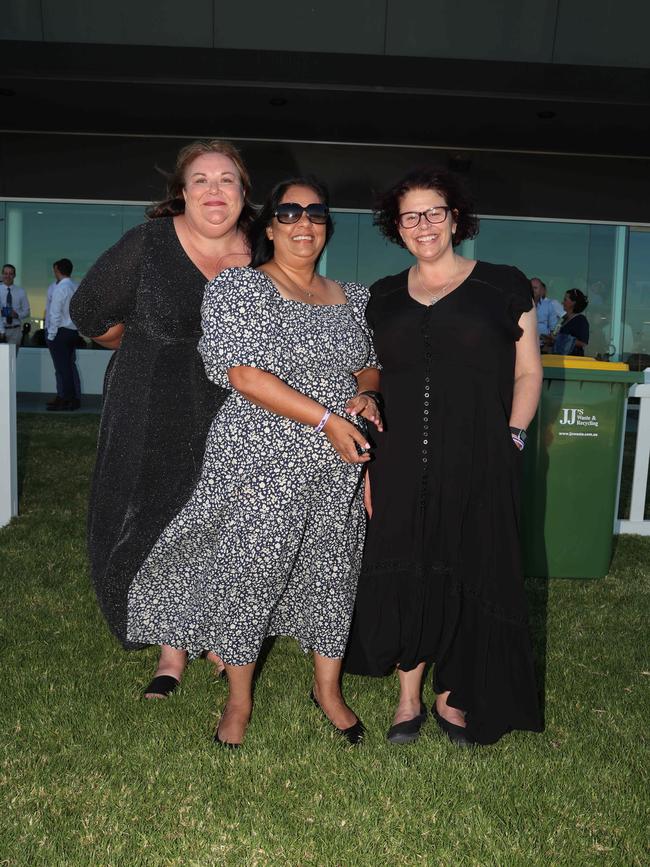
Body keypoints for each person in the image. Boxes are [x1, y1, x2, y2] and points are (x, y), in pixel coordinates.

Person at [126, 177, 382, 747]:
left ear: (327, 226)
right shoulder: (241, 289)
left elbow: (368, 364)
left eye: (315, 213)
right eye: (289, 213)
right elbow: (243, 375)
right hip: (259, 454)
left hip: (337, 457)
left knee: (333, 572)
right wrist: (326, 418)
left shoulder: (353, 297)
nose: (303, 223)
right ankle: (237, 700)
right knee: (251, 575)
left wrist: (367, 395)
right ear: (269, 227)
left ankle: (328, 690)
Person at [345, 168, 544, 747]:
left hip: (482, 452)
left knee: (470, 563)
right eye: (410, 217)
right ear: (396, 227)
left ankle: (453, 695)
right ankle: (408, 697)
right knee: (409, 564)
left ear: (456, 218)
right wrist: (365, 406)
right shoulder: (382, 296)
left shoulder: (502, 286)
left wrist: (514, 436)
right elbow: (373, 371)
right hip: (400, 459)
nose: (423, 225)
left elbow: (529, 371)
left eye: (434, 213)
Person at [69, 140, 255, 698]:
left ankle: (221, 628)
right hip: (149, 396)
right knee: (157, 511)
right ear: (181, 193)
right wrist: (137, 345)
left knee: (222, 513)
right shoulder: (149, 242)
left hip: (234, 397)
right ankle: (170, 649)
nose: (214, 190)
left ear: (245, 195)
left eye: (227, 180)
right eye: (201, 180)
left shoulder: (262, 249)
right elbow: (88, 311)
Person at [45, 259, 81, 411]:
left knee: (62, 368)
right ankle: (71, 399)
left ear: (58, 269)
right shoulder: (75, 286)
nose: (54, 272)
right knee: (69, 367)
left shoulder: (60, 288)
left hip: (60, 332)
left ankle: (66, 400)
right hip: (72, 331)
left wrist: (51, 335)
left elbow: (55, 313)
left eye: (54, 269)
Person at [0, 264, 30, 354]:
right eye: (5, 273)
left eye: (10, 274)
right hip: (0, 328)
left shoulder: (21, 291)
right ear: (2, 274)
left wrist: (17, 315)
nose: (8, 276)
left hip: (15, 331)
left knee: (12, 361)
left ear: (14, 275)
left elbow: (27, 311)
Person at [550, 288, 589, 356]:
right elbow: (556, 336)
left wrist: (560, 339)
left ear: (573, 302)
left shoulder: (581, 320)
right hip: (559, 358)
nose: (562, 302)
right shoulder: (563, 319)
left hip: (573, 360)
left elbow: (583, 342)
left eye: (565, 300)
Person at [530, 277, 560, 348]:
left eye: (535, 288)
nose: (532, 290)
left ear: (541, 290)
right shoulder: (521, 304)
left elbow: (554, 328)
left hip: (543, 347)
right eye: (530, 288)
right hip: (525, 346)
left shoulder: (549, 305)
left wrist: (550, 340)